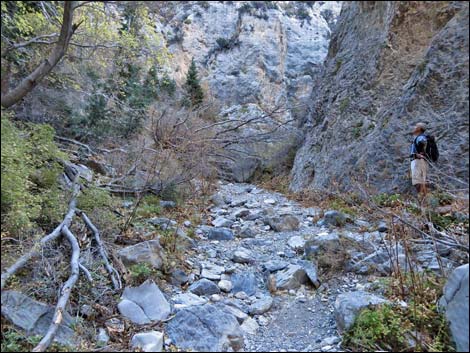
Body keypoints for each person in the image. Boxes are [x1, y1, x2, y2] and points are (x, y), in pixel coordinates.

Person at [410, 122, 428, 195]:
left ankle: (422, 199)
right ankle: (424, 199)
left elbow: (423, 142)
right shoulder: (419, 137)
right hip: (419, 160)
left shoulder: (420, 137)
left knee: (417, 181)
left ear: (419, 129)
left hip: (418, 161)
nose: (414, 128)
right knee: (420, 181)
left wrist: (421, 153)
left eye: (415, 126)